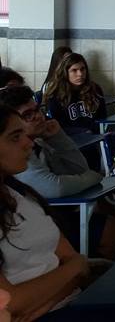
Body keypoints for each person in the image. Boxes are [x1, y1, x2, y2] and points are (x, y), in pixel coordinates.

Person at [0, 86, 115, 259]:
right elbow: (55, 187)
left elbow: (79, 169)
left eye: (37, 110)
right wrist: (93, 176)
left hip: (47, 218)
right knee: (107, 228)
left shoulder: (40, 141)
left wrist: (58, 137)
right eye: (27, 115)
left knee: (106, 223)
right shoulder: (16, 155)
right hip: (36, 224)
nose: (38, 116)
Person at [0, 105, 92, 320]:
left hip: (65, 304)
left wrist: (48, 299)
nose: (29, 143)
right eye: (15, 137)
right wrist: (75, 267)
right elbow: (10, 302)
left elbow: (75, 262)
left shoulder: (23, 195)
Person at [42, 53, 107, 134]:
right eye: (74, 70)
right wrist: (81, 131)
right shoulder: (55, 94)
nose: (80, 74)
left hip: (95, 135)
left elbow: (103, 117)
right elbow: (58, 125)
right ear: (65, 73)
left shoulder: (95, 89)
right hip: (70, 136)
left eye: (82, 69)